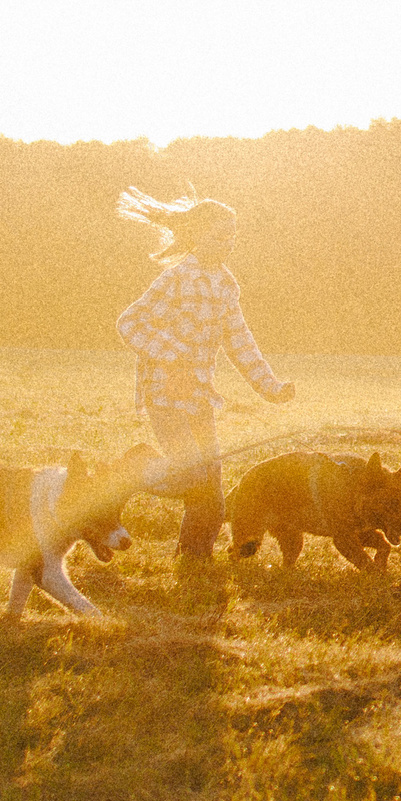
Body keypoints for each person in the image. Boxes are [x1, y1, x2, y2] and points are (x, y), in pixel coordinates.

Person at [114, 188, 295, 562]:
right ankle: (136, 471)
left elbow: (240, 342)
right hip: (164, 395)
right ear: (196, 235)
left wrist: (271, 388)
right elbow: (130, 322)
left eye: (232, 236)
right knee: (193, 474)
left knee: (211, 490)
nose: (227, 243)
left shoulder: (226, 285)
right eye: (218, 236)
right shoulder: (176, 278)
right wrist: (175, 356)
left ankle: (193, 557)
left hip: (199, 397)